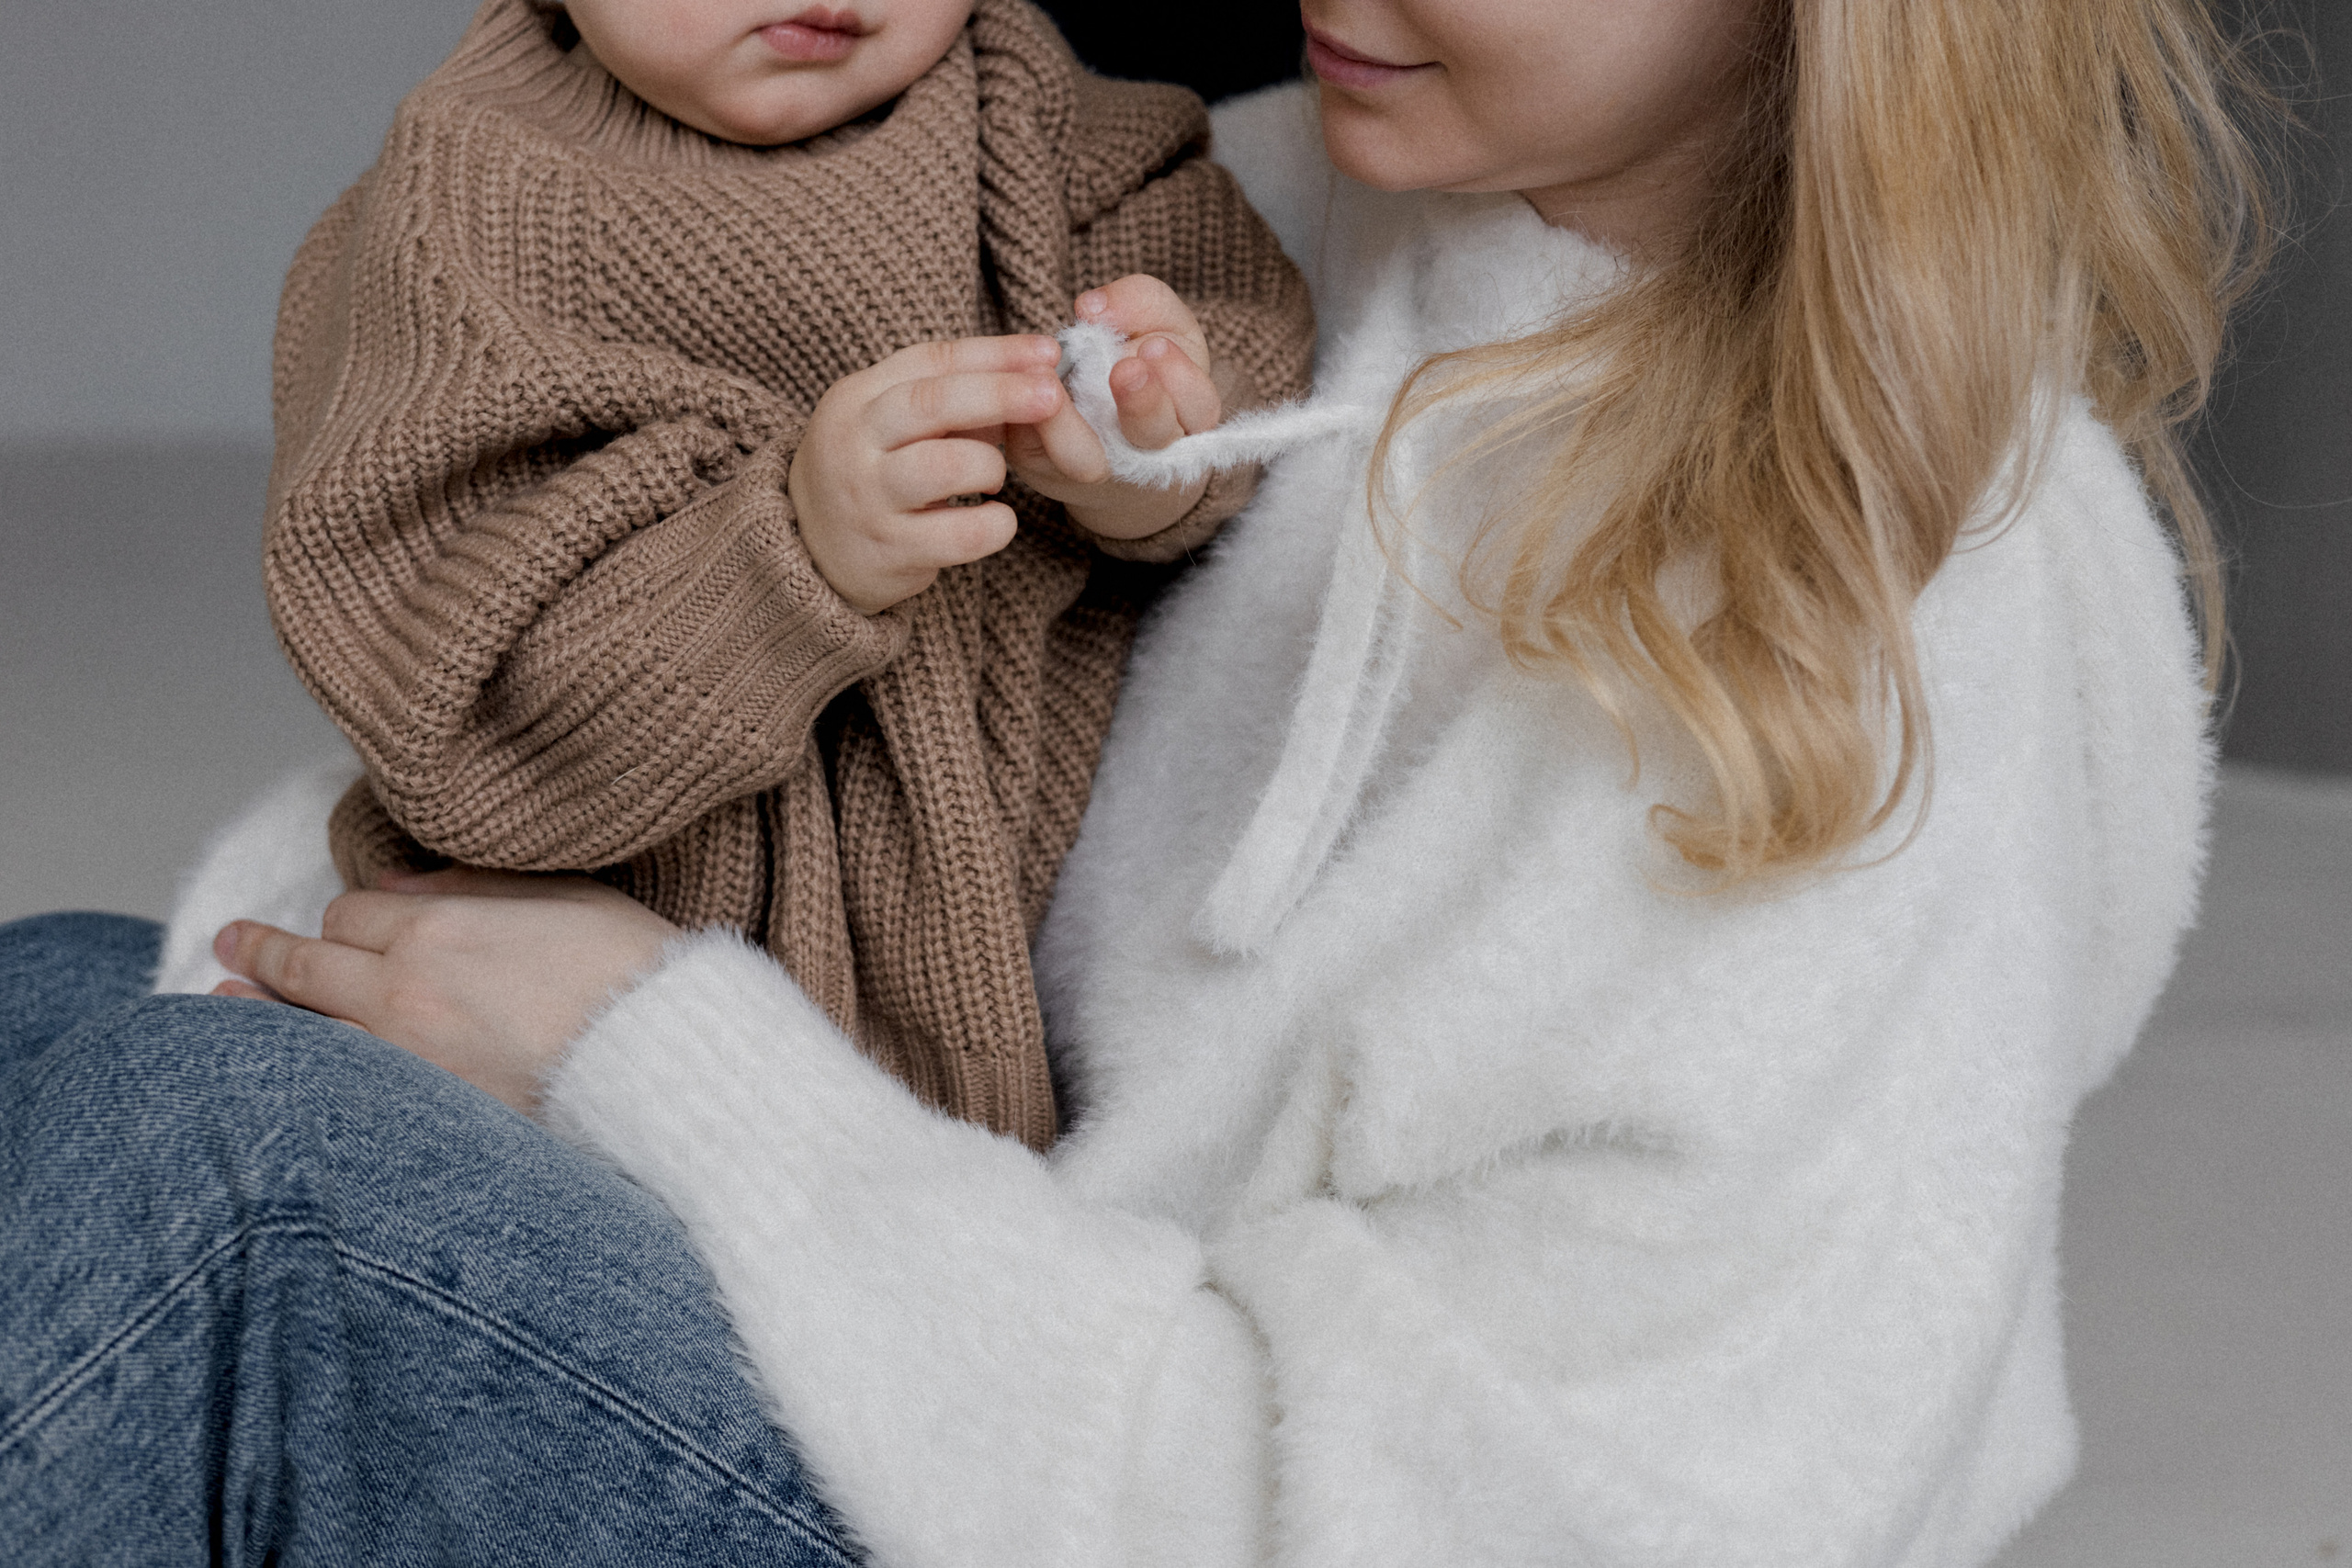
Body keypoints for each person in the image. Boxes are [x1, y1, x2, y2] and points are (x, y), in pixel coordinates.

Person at [4, 0, 2277, 1562]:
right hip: (970, 1249)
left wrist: (640, 1052)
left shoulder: (1869, 640)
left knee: (223, 1174)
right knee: (71, 1004)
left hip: (1114, 1487)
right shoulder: (1278, 198)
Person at [232, 0, 1314, 1152]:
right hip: (562, 1000)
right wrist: (786, 550)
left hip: (993, 1001)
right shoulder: (465, 202)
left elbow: (1235, 328)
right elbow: (451, 683)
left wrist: (1148, 443)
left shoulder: (1038, 113)